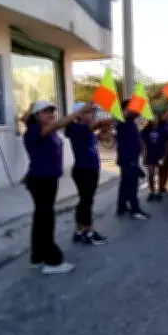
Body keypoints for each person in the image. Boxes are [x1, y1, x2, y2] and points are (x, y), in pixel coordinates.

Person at [23, 101, 93, 274]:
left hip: (46, 180)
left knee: (41, 219)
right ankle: (52, 261)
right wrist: (79, 113)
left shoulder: (50, 130)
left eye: (52, 111)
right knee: (46, 220)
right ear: (37, 115)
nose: (51, 114)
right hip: (42, 181)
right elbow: (60, 124)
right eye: (46, 111)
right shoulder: (34, 130)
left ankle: (37, 257)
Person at [65, 102, 113, 246]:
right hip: (84, 170)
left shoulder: (86, 130)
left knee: (85, 201)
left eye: (92, 112)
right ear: (78, 114)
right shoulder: (75, 127)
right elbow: (97, 125)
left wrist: (105, 130)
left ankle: (79, 231)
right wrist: (113, 119)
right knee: (86, 202)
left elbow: (104, 139)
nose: (92, 115)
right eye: (88, 112)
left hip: (90, 169)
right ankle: (89, 232)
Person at [116, 99, 150, 220]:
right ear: (125, 110)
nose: (135, 110)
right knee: (132, 184)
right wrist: (152, 97)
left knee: (125, 183)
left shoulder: (129, 122)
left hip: (130, 157)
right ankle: (135, 209)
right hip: (128, 158)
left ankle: (122, 206)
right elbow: (137, 111)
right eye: (132, 107)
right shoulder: (123, 120)